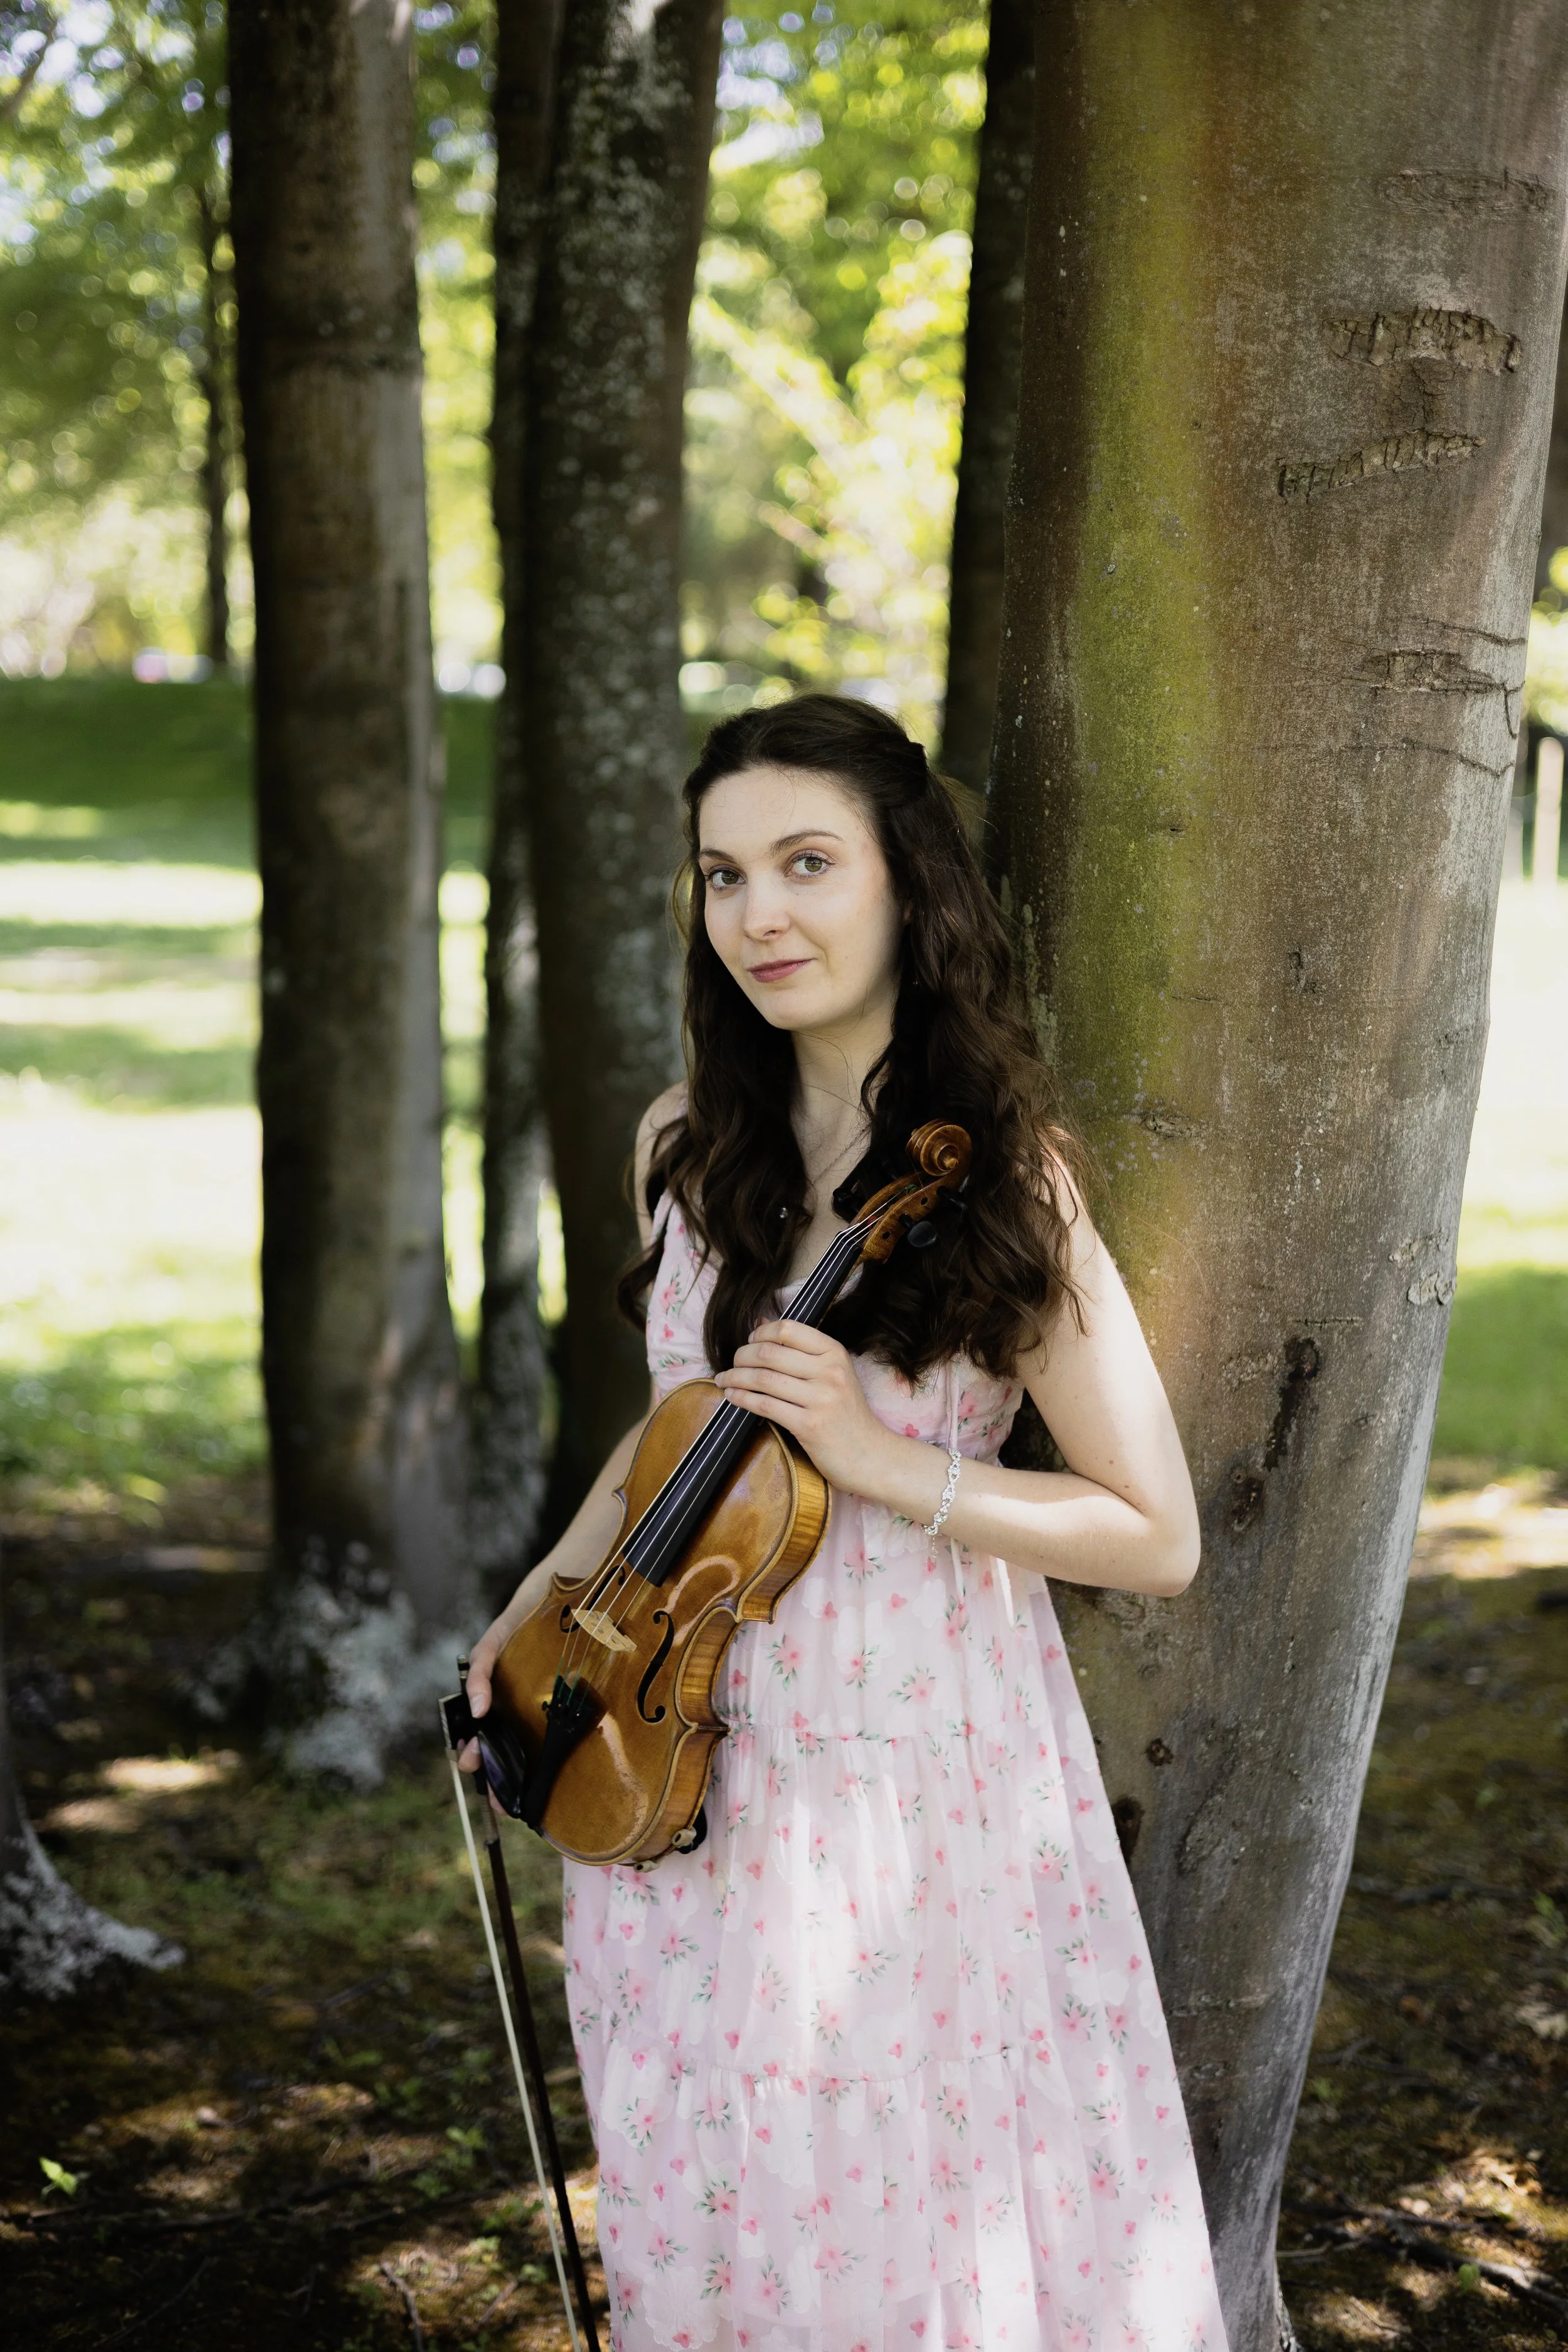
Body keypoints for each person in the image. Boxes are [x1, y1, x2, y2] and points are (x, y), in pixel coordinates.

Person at [464, 694, 1229, 2352]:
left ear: (908, 884)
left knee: (901, 2189)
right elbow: (679, 1432)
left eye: (806, 861)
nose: (759, 913)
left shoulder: (1003, 1182)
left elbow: (1151, 1529)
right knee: (716, 2166)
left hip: (915, 1771)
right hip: (682, 1752)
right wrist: (533, 1606)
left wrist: (882, 1461)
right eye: (724, 874)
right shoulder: (683, 1147)